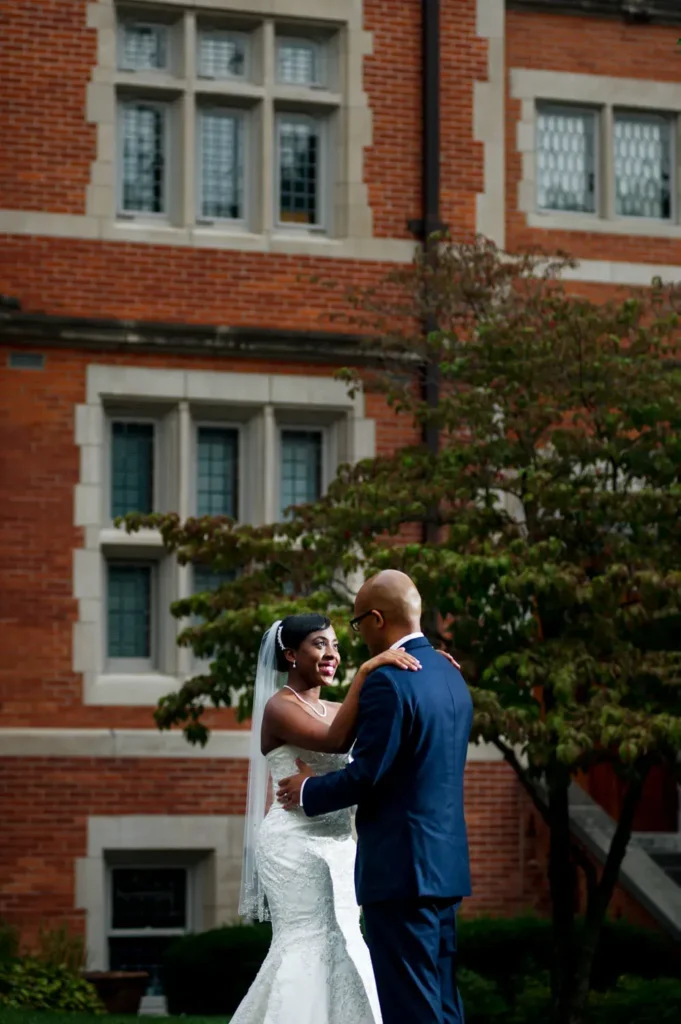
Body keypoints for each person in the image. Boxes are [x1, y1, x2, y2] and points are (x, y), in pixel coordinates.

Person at [277, 571, 473, 1024]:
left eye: (356, 623)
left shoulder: (388, 680)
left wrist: (305, 789)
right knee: (443, 1004)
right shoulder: (449, 669)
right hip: (444, 867)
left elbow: (366, 775)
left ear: (378, 619)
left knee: (412, 1010)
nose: (355, 635)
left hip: (401, 871)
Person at [230, 611, 424, 1024]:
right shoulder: (279, 708)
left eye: (336, 645)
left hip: (342, 846)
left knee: (347, 940)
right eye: (320, 644)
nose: (332, 653)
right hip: (294, 845)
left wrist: (432, 671)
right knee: (309, 941)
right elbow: (335, 741)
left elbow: (389, 725)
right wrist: (370, 667)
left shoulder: (340, 707)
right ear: (290, 655)